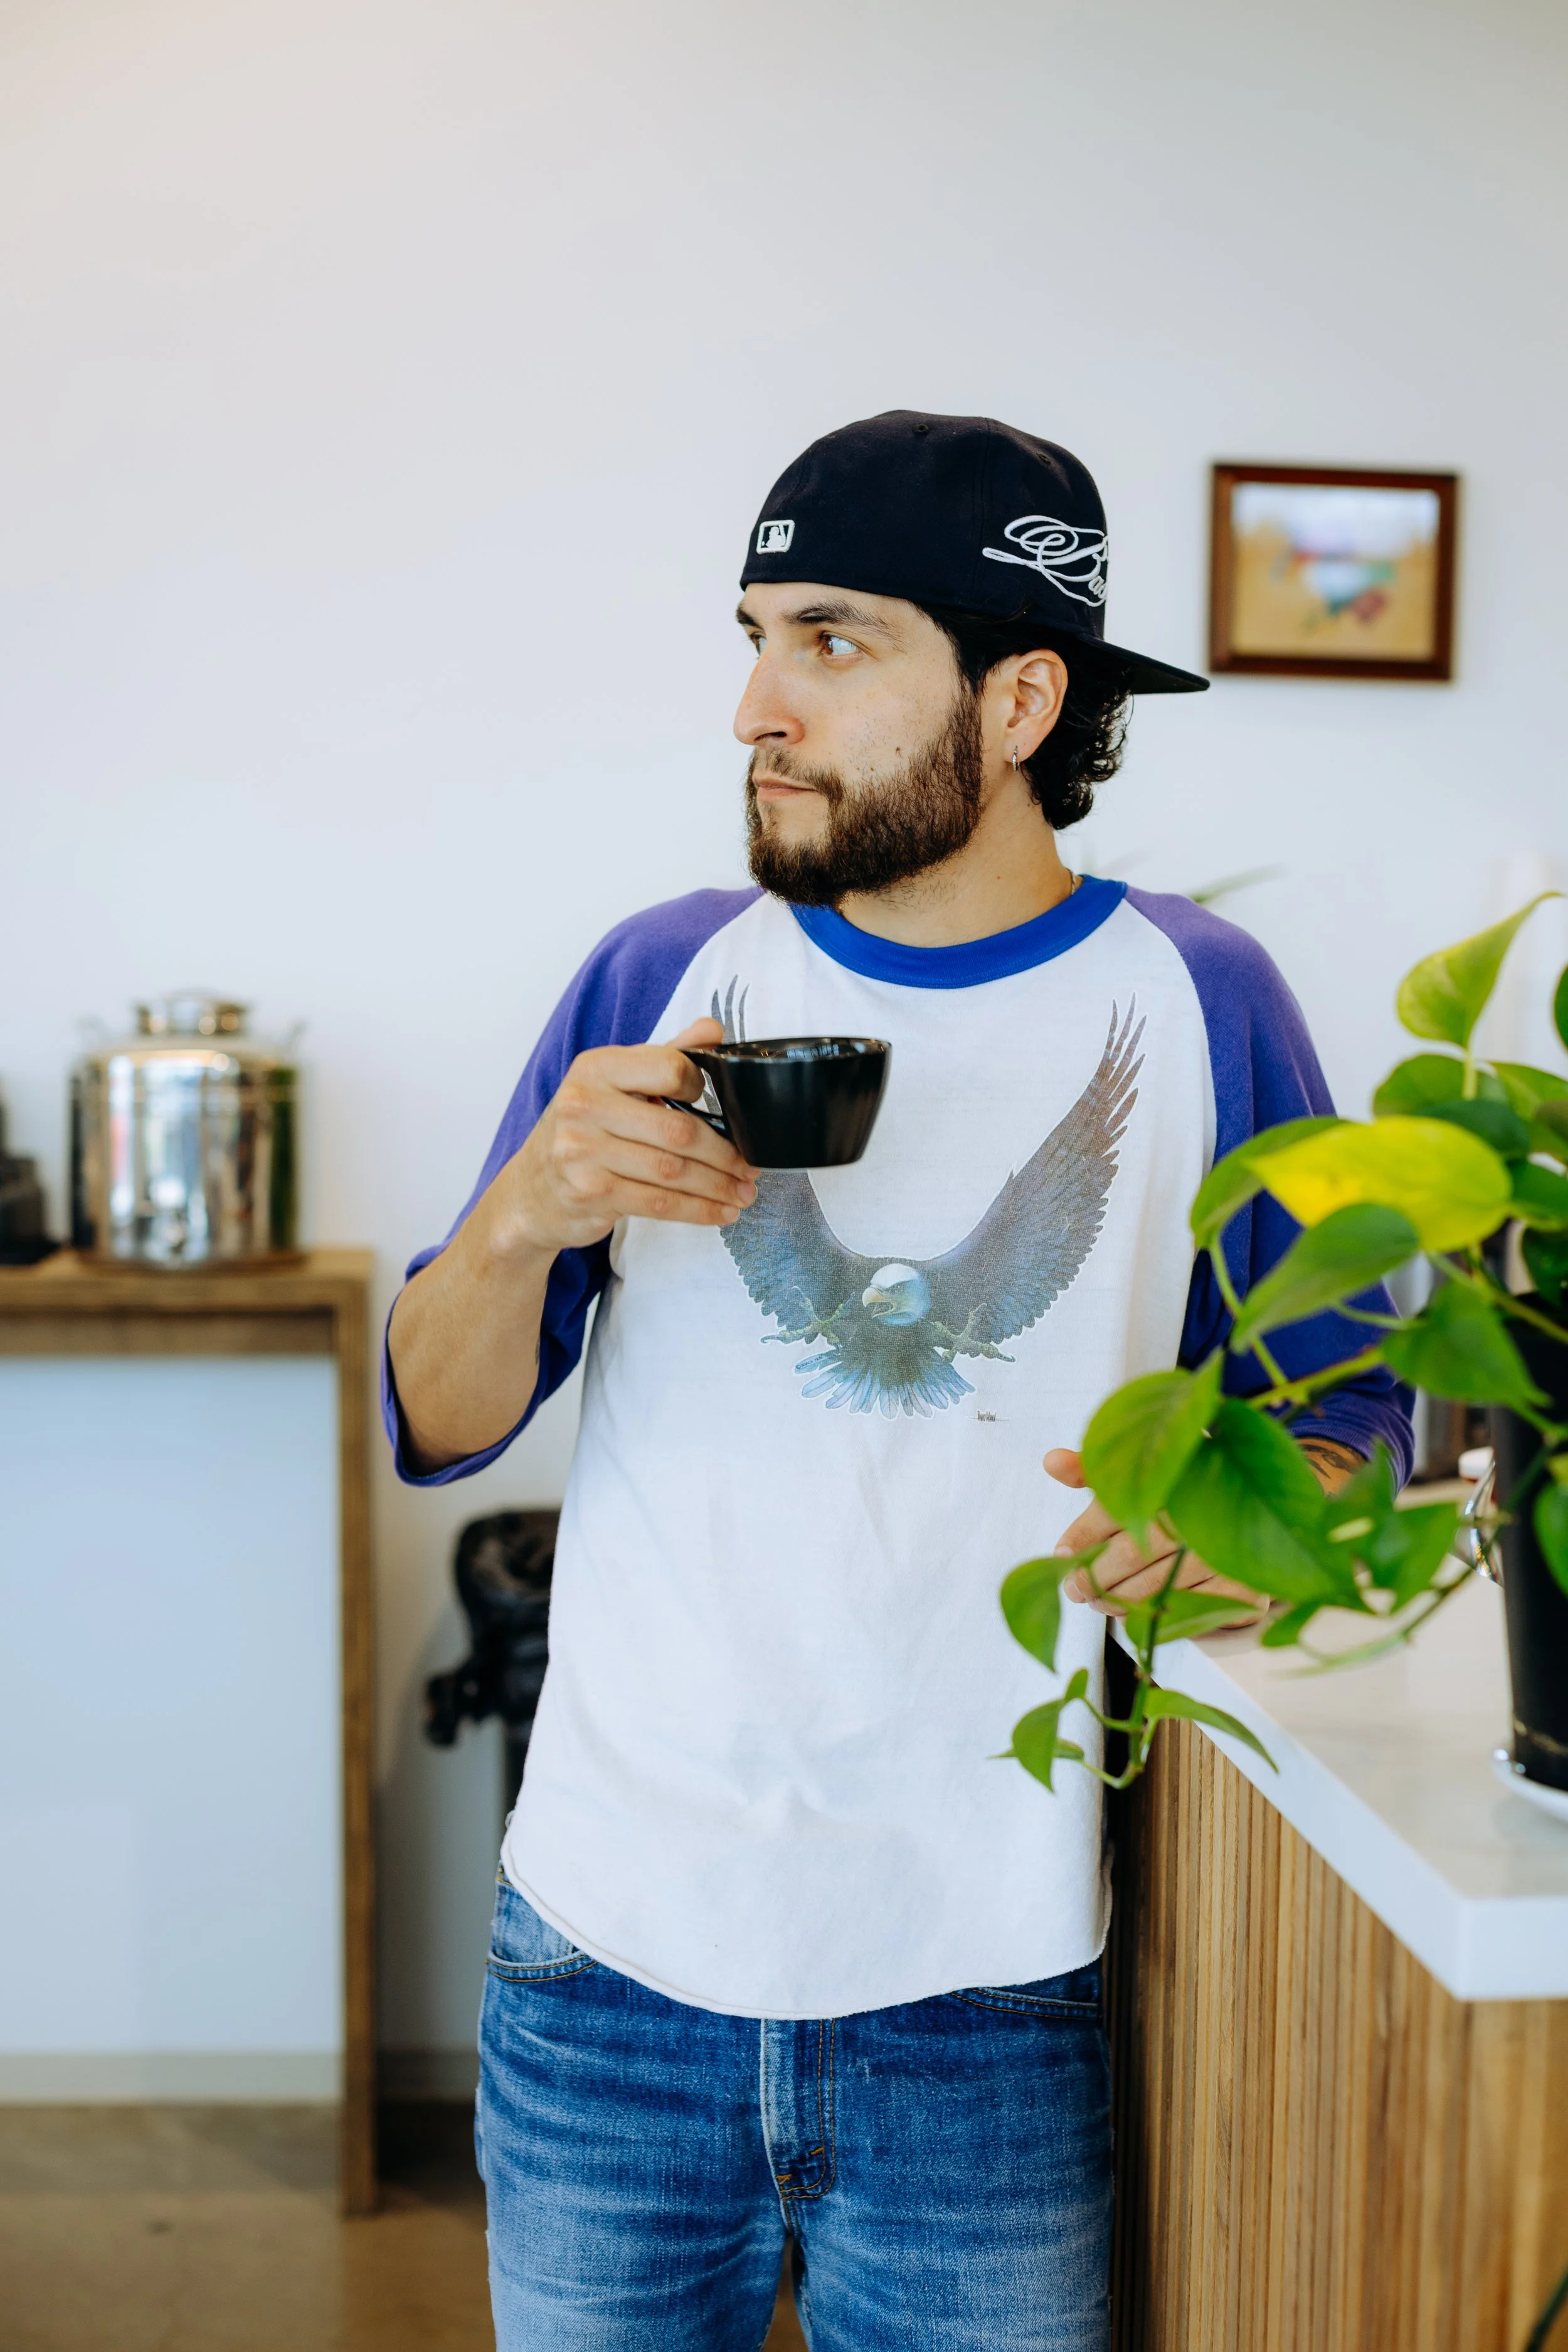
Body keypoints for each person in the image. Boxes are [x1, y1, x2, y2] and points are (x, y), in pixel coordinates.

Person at [385, 411, 1411, 2351]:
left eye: (832, 641)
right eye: (759, 631)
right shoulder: (660, 977)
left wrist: (1237, 1544)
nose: (755, 702)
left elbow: (1348, 1428)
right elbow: (442, 1418)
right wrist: (524, 1216)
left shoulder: (1200, 1001)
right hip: (605, 1963)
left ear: (1020, 694)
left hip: (990, 1985)